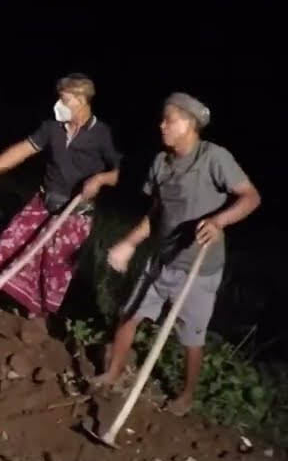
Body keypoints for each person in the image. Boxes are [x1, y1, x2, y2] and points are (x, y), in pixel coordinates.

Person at [93, 93, 261, 415]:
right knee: (129, 314)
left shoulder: (213, 157)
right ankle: (113, 372)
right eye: (163, 118)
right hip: (162, 259)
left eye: (169, 119)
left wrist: (219, 221)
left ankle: (186, 395)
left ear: (189, 124)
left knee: (191, 337)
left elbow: (251, 197)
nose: (162, 125)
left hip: (199, 268)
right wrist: (129, 243)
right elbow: (155, 214)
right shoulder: (160, 162)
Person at [0, 74, 120, 327]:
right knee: (12, 241)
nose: (59, 104)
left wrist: (101, 179)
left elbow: (120, 173)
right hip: (45, 201)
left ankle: (37, 320)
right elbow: (20, 151)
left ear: (80, 100)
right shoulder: (51, 127)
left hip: (76, 211)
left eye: (64, 99)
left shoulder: (101, 134)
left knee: (51, 265)